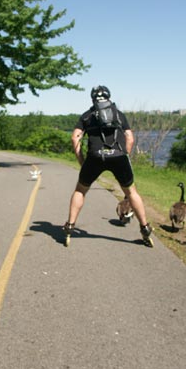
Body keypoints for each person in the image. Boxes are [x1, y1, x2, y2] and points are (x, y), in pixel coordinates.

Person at [63, 85, 154, 247]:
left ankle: (70, 226)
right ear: (109, 97)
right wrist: (124, 155)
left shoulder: (87, 116)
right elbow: (130, 138)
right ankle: (145, 228)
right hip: (119, 156)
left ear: (92, 98)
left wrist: (82, 162)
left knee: (80, 190)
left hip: (95, 157)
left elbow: (74, 139)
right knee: (131, 192)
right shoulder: (118, 114)